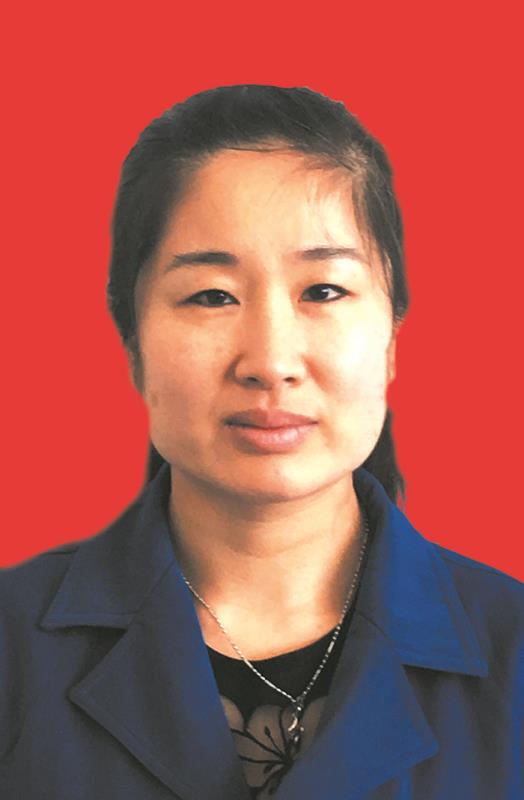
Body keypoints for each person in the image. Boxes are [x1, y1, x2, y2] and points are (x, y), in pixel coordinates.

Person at [0, 85, 522, 800]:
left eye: (323, 291)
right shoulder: (12, 648)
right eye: (212, 295)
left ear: (392, 338)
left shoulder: (513, 651)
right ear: (133, 343)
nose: (271, 361)